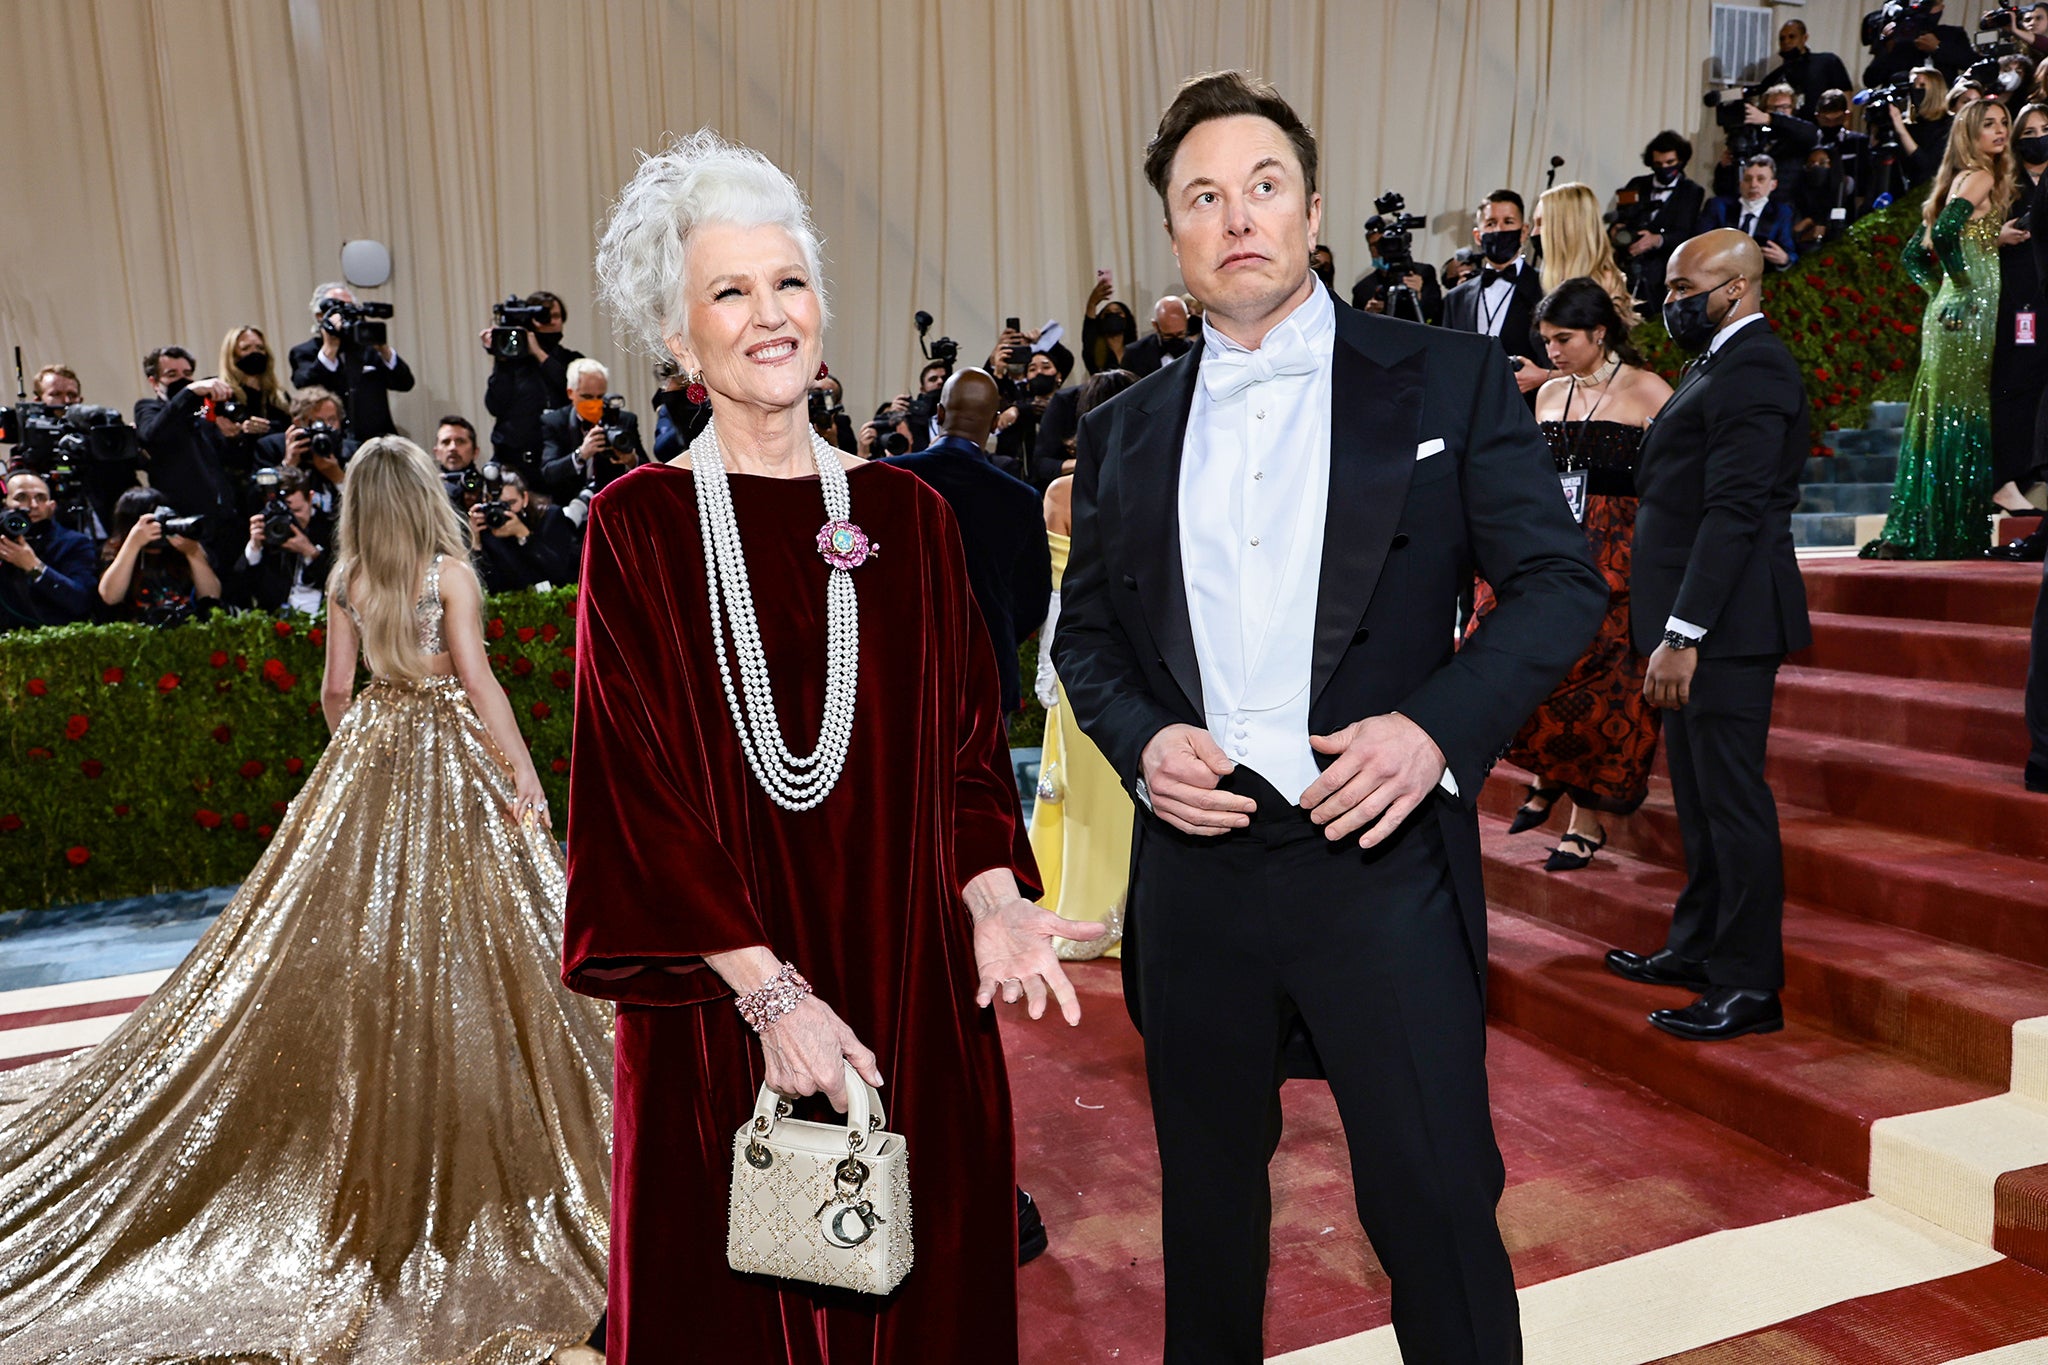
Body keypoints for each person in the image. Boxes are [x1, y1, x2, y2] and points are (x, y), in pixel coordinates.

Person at [1056, 72, 1606, 1364]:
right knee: (1207, 1232)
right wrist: (1140, 742)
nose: (1235, 214)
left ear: (1311, 213)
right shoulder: (1122, 428)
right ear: (1175, 235)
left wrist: (1433, 732)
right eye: (1203, 195)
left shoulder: (1451, 380)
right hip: (1194, 875)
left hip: (1380, 861)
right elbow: (1085, 636)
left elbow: (1557, 584)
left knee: (1434, 1213)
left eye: (1262, 186)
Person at [568, 129, 1100, 1365]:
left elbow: (971, 754)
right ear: (676, 334)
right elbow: (636, 800)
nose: (770, 316)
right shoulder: (639, 527)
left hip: (914, 982)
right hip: (723, 998)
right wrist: (773, 999)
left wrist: (990, 897)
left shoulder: (909, 519)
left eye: (789, 281)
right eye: (730, 291)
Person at [0, 436, 612, 1356]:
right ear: (424, 494)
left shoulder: (349, 578)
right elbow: (479, 681)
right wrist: (523, 774)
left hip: (372, 746)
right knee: (491, 925)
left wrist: (359, 757)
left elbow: (335, 690)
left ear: (362, 502)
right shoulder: (450, 574)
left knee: (355, 930)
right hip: (450, 748)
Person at [1606, 228, 1812, 1043]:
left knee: (1732, 803)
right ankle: (1698, 947)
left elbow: (1733, 512)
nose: (1670, 303)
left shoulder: (1757, 365)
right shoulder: (1714, 362)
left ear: (1734, 287)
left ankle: (1750, 982)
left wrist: (1684, 631)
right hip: (1690, 621)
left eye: (1684, 288)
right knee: (1697, 799)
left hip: (1723, 626)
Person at [1478, 280, 1671, 871]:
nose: (1552, 351)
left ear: (1600, 333)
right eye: (1546, 340)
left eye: (1563, 339)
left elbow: (1672, 488)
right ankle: (1548, 774)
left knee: (1602, 687)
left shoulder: (1650, 391)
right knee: (1507, 652)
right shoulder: (1548, 394)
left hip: (1622, 560)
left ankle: (1585, 818)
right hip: (1552, 551)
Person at [1864, 101, 2018, 558]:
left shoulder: (1955, 181)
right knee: (1961, 418)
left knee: (1940, 419)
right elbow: (1948, 235)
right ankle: (1950, 534)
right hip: (1967, 316)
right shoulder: (1981, 176)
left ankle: (1928, 530)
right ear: (1969, 134)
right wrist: (1966, 288)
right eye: (1988, 124)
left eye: (2004, 123)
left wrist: (1941, 291)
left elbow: (1915, 256)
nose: (2001, 131)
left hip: (1949, 313)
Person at [1030, 368, 1139, 960]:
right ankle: (1137, 906)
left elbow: (1055, 586)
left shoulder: (1059, 496)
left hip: (1076, 652)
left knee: (1079, 781)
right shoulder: (1158, 480)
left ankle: (1077, 902)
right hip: (1137, 657)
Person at [881, 367, 1053, 715]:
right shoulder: (1022, 499)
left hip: (900, 673)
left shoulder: (888, 478)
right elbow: (1034, 600)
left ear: (940, 414)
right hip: (985, 679)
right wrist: (989, 636)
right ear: (993, 424)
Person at [1991, 103, 2048, 527]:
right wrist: (1999, 236)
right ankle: (2010, 475)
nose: (2037, 137)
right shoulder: (2000, 184)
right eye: (2028, 131)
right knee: (2018, 385)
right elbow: (1950, 236)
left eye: (2045, 129)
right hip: (2018, 304)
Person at [1442, 190, 1554, 398]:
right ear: (1478, 235)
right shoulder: (1455, 298)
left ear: (1523, 232)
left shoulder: (1548, 288)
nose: (1499, 230)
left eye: (1508, 222)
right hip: (1470, 412)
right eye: (1491, 223)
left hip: (1531, 410)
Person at [132, 346, 238, 546]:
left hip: (224, 520)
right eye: (172, 374)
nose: (183, 380)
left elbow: (224, 458)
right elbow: (152, 434)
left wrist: (234, 434)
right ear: (154, 382)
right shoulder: (148, 408)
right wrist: (189, 392)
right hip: (184, 523)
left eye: (188, 374)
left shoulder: (203, 413)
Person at [288, 282, 415, 439]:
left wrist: (384, 350)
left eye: (350, 309)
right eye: (338, 310)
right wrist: (330, 349)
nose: (345, 316)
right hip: (333, 443)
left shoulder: (368, 350)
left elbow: (404, 383)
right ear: (320, 316)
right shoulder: (304, 352)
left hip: (376, 440)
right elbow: (304, 385)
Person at [482, 289, 586, 479]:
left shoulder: (571, 360)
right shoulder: (512, 365)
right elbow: (494, 406)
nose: (552, 321)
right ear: (531, 320)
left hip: (556, 460)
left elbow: (574, 390)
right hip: (514, 463)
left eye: (556, 316)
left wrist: (538, 352)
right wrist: (501, 358)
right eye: (544, 316)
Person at [93, 487, 222, 623]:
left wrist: (193, 553)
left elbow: (211, 596)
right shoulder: (112, 551)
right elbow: (110, 597)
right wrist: (133, 545)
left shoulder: (184, 548)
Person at [1612, 131, 1707, 307]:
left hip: (1662, 273)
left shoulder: (1691, 191)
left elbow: (1687, 233)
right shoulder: (1636, 184)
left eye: (1670, 163)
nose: (1664, 168)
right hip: (1626, 268)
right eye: (1658, 164)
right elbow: (1619, 218)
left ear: (1681, 161)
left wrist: (1657, 240)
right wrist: (1616, 230)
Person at [0, 470, 97, 631]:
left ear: (52, 506)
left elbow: (82, 602)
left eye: (40, 498)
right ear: (5, 504)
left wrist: (35, 567)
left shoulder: (74, 543)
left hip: (52, 643)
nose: (33, 506)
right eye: (21, 497)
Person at [538, 358, 645, 500]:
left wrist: (631, 460)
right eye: (587, 397)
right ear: (571, 393)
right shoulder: (554, 422)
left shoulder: (624, 420)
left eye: (600, 396)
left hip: (614, 502)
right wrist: (581, 454)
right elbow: (549, 473)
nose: (594, 403)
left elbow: (648, 468)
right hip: (571, 504)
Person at [1534, 181, 1639, 324]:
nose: (1534, 233)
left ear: (1566, 227)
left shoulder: (1605, 284)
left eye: (1541, 223)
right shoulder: (1540, 280)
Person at [235, 464, 332, 615]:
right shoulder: (267, 527)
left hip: (320, 621)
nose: (291, 519)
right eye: (286, 512)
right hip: (274, 624)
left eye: (297, 511)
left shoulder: (329, 530)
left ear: (310, 498)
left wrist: (310, 553)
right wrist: (255, 546)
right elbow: (240, 588)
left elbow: (341, 584)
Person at [468, 466, 574, 593]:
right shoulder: (484, 526)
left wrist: (524, 535)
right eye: (497, 503)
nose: (505, 510)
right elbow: (484, 584)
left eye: (511, 503)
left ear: (525, 498)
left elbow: (559, 572)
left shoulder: (549, 517)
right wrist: (475, 544)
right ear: (485, 501)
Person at [213, 324, 291, 482]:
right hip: (237, 475)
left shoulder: (279, 396)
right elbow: (196, 414)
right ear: (232, 355)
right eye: (246, 348)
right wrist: (215, 421)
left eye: (260, 348)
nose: (254, 353)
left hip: (278, 471)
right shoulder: (219, 392)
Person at [1700, 155, 1801, 270]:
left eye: (1760, 179)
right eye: (1747, 179)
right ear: (1740, 183)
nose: (1753, 185)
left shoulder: (1781, 212)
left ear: (1773, 185)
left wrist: (1784, 259)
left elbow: (1791, 254)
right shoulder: (1718, 206)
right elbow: (1698, 244)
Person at [1754, 18, 1855, 116]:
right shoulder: (1776, 75)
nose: (1786, 41)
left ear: (1804, 38)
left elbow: (1846, 99)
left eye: (1792, 36)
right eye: (1782, 38)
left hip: (1821, 127)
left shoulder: (1827, 62)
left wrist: (1845, 129)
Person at [1863, 0, 1976, 87]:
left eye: (1932, 3)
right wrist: (1887, 49)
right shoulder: (1898, 36)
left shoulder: (1952, 35)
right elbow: (1870, 80)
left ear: (1941, 7)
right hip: (1901, 106)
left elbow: (1972, 64)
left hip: (1940, 106)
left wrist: (1938, 47)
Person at [1889, 65, 1960, 187]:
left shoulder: (1951, 124)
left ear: (1935, 90)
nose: (1916, 91)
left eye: (1922, 86)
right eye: (1913, 86)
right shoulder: (1908, 125)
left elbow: (1927, 166)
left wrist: (1901, 130)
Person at [1123, 294, 1193, 375]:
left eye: (1180, 334)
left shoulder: (1197, 351)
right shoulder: (1135, 354)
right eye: (1168, 336)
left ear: (1187, 321)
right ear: (1155, 325)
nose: (1175, 340)